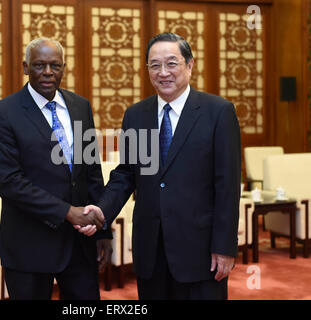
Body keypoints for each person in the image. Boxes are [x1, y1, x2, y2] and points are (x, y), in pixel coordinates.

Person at [80, 33, 241, 300]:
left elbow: (227, 185)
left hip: (200, 252)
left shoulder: (218, 112)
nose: (163, 72)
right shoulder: (136, 114)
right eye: (155, 65)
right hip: (150, 249)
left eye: (171, 63)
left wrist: (225, 247)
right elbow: (127, 173)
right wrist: (101, 210)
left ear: (189, 65)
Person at [0, 37, 112, 300]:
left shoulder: (80, 106)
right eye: (39, 65)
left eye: (55, 66)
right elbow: (9, 182)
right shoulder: (3, 114)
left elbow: (91, 171)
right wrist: (67, 212)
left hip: (80, 244)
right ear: (25, 67)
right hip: (29, 244)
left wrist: (102, 230)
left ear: (63, 68)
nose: (47, 73)